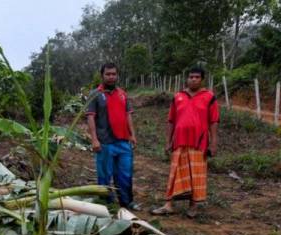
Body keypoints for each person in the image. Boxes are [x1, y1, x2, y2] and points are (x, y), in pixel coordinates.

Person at [152, 67, 219, 218]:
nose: (193, 79)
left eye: (196, 77)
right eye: (190, 77)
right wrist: (168, 141)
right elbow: (171, 121)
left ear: (202, 79)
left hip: (199, 142)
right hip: (179, 141)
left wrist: (213, 143)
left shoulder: (209, 97)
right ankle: (168, 205)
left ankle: (193, 206)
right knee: (175, 173)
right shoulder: (178, 96)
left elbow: (214, 121)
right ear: (186, 78)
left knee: (196, 175)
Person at [86, 63, 140, 210]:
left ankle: (127, 201)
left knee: (125, 173)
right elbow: (90, 118)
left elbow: (128, 115)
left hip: (123, 141)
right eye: (108, 74)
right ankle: (106, 204)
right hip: (105, 142)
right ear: (102, 75)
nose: (111, 77)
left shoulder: (122, 94)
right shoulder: (95, 94)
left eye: (114, 74)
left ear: (117, 75)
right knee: (104, 175)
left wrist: (132, 135)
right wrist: (94, 140)